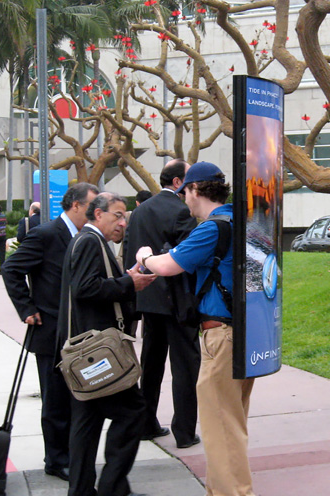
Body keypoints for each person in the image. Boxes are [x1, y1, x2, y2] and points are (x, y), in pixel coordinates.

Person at [136, 162, 256, 496]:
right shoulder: (241, 221)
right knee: (231, 423)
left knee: (221, 428)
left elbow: (167, 265)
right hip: (245, 334)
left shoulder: (212, 228)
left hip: (222, 336)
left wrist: (145, 256)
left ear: (195, 189)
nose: (183, 200)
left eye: (184, 192)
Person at [57, 192, 155, 496]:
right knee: (134, 411)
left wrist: (122, 278)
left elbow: (88, 285)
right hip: (98, 351)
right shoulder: (89, 241)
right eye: (117, 215)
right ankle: (113, 486)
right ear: (97, 214)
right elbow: (86, 289)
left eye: (124, 216)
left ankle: (83, 489)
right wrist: (129, 284)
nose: (122, 223)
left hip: (86, 351)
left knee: (87, 421)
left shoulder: (87, 241)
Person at [1, 183, 99, 482]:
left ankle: (76, 455)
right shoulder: (46, 234)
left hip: (80, 332)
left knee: (79, 399)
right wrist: (27, 308)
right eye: (93, 206)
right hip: (51, 331)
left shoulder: (88, 237)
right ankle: (56, 460)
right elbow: (11, 269)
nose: (98, 212)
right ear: (76, 206)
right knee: (55, 401)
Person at [124, 159, 201, 447]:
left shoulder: (140, 210)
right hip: (177, 301)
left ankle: (146, 423)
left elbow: (130, 251)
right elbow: (186, 258)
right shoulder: (182, 211)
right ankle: (184, 432)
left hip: (147, 297)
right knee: (184, 367)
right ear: (178, 182)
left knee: (151, 364)